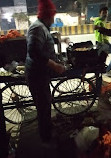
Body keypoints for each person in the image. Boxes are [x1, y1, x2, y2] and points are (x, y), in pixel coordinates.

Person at [25, 0, 66, 143]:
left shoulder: (42, 27)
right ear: (48, 16)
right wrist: (54, 65)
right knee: (43, 107)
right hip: (37, 75)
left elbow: (45, 41)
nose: (53, 20)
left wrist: (60, 39)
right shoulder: (37, 28)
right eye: (53, 17)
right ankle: (46, 140)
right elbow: (34, 51)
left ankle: (47, 130)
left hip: (41, 75)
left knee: (45, 105)